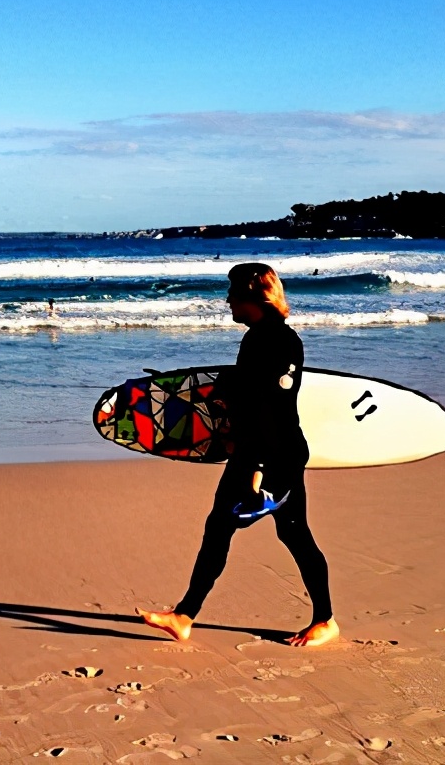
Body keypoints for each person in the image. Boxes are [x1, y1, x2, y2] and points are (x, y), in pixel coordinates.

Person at [135, 263, 338, 648]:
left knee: (249, 531)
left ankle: (324, 620)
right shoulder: (263, 337)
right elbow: (249, 398)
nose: (227, 299)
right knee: (280, 533)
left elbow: (270, 407)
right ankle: (184, 615)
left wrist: (257, 469)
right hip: (268, 451)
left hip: (271, 457)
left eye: (232, 292)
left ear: (253, 296)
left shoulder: (275, 341)